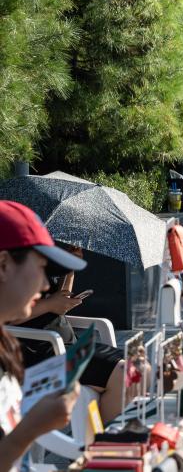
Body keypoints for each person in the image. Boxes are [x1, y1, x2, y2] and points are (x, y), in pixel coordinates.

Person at [0, 201, 85, 470]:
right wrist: (32, 427)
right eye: (40, 267)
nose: (47, 284)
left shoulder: (5, 342)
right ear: (3, 264)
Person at [15, 245, 127, 424]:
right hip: (43, 354)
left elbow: (60, 298)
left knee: (134, 365)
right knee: (125, 373)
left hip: (67, 345)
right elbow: (9, 315)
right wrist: (49, 304)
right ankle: (97, 442)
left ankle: (97, 436)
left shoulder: (37, 260)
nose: (44, 284)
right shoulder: (16, 265)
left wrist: (70, 266)